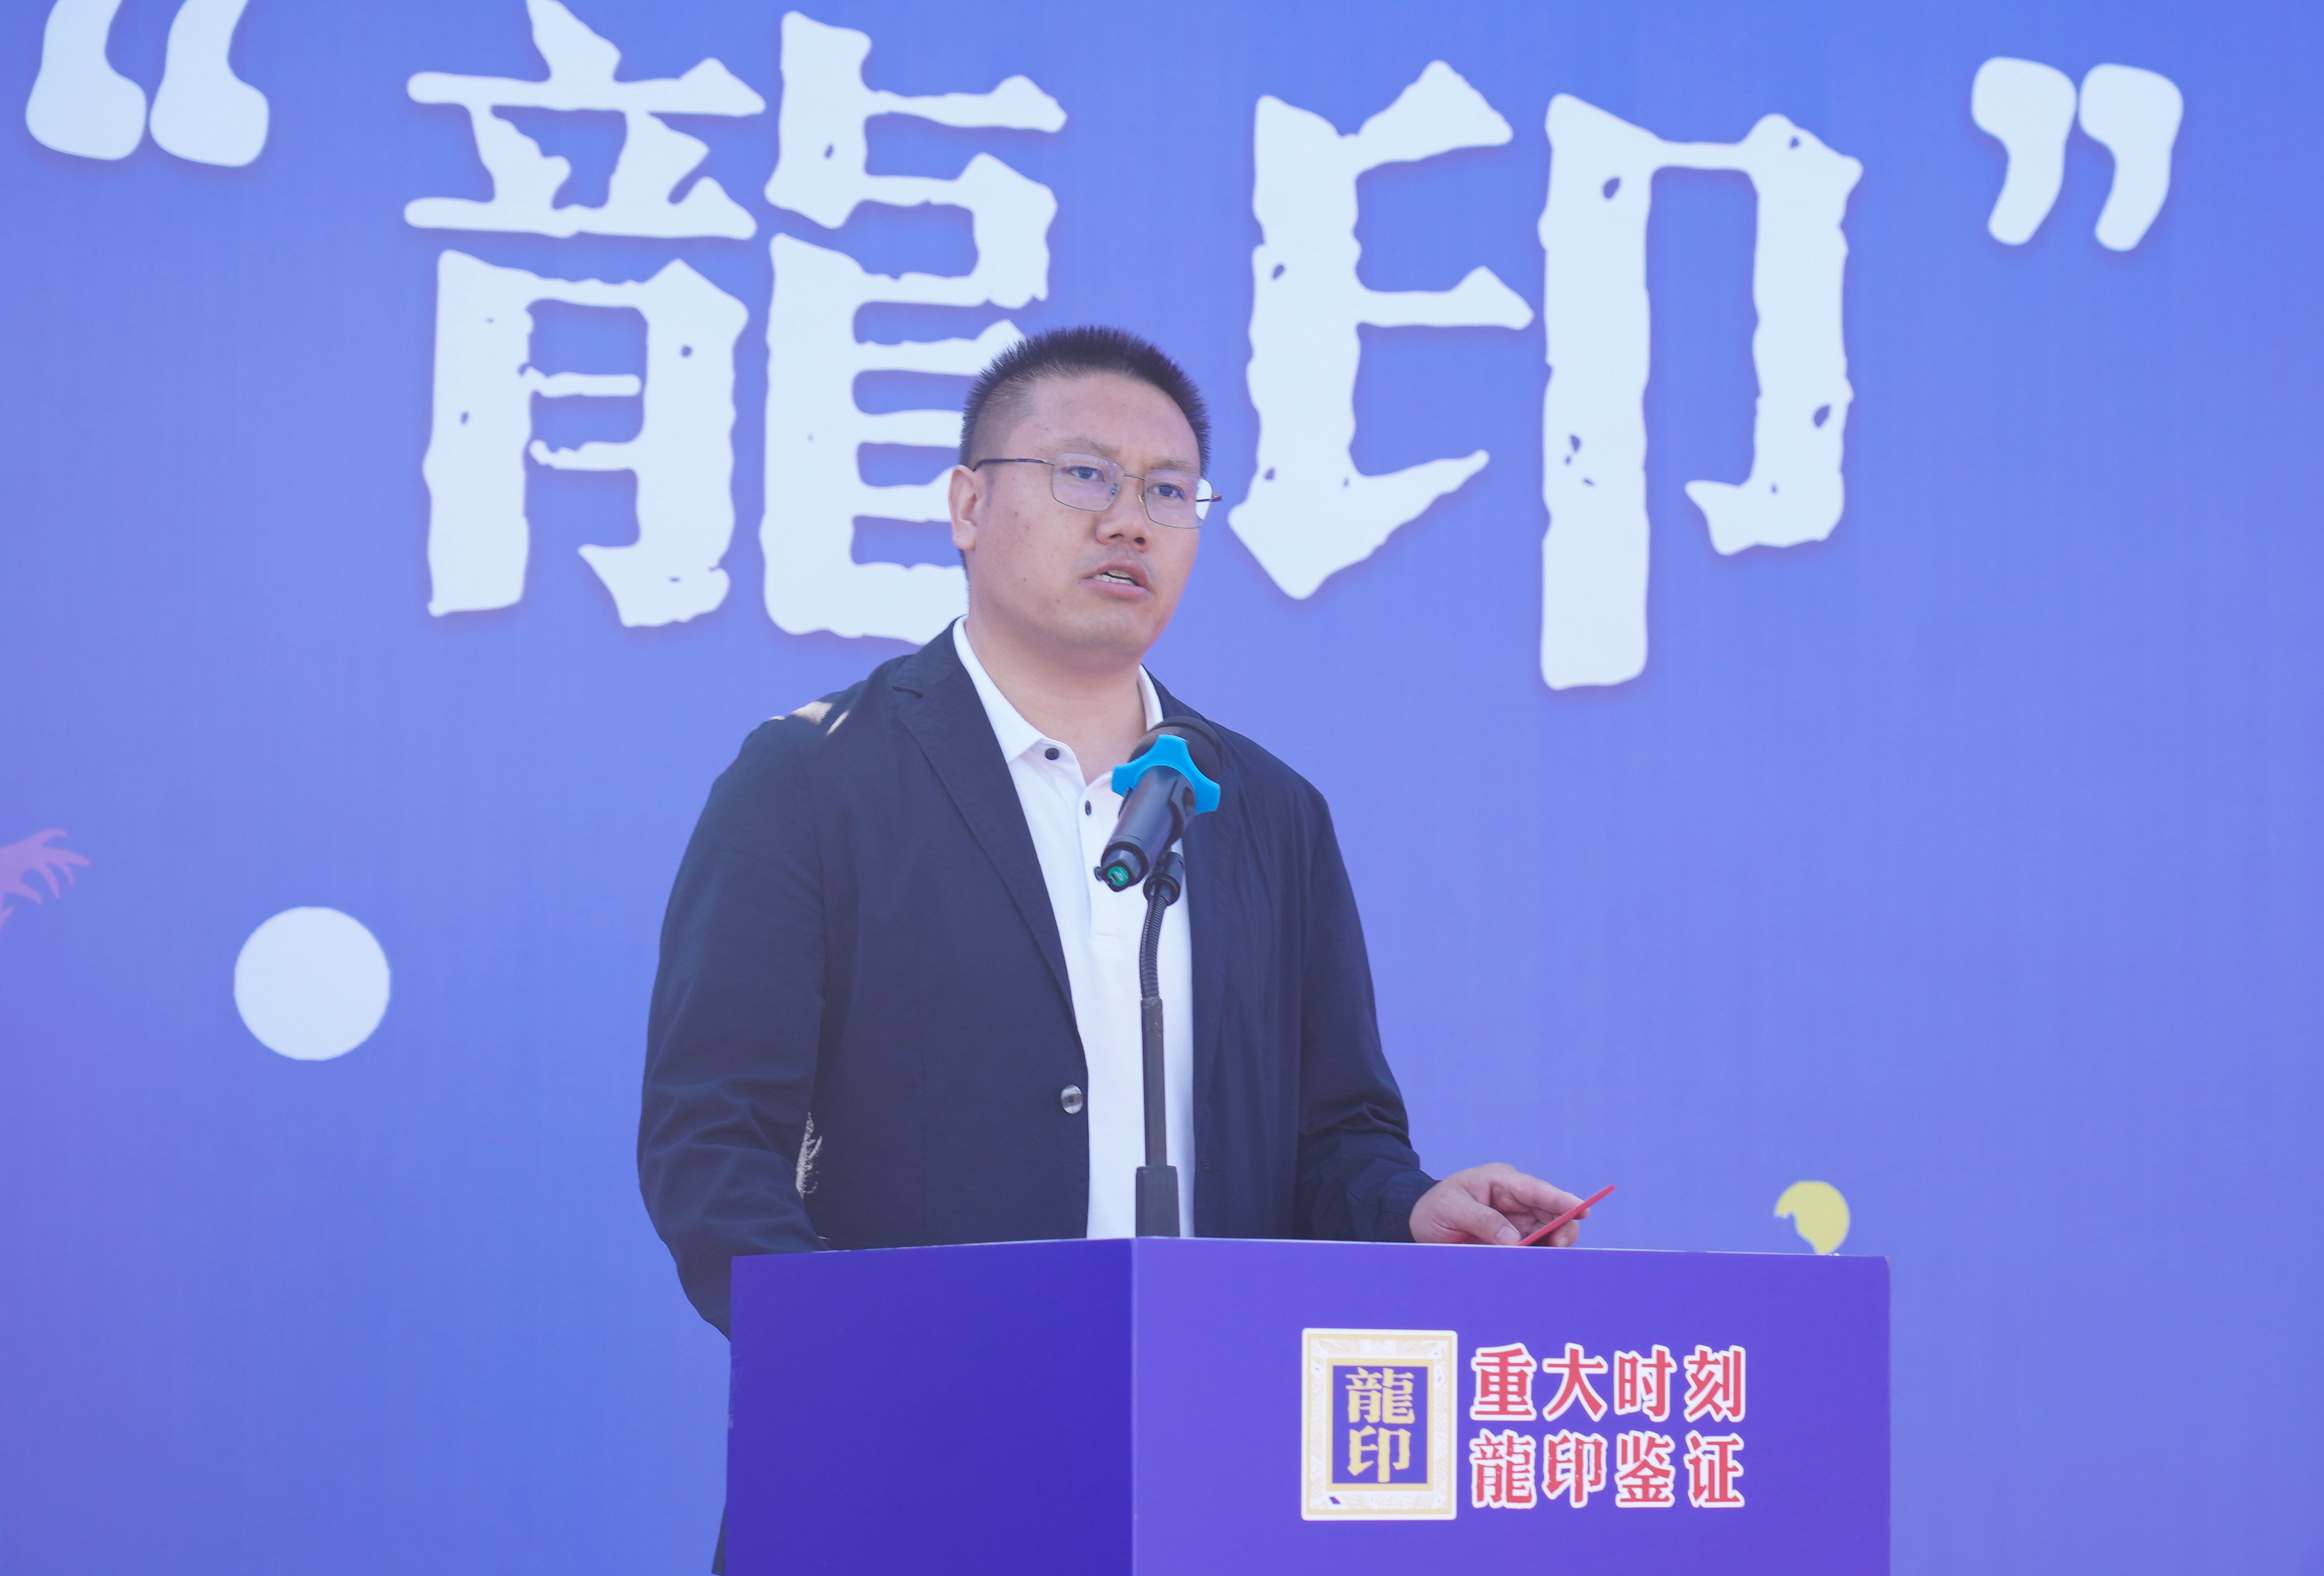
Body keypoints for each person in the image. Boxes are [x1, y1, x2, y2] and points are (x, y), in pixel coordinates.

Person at [638, 326, 1591, 1340]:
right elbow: (714, 1141)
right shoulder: (816, 778)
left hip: (1207, 1400)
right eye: (1084, 475)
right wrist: (842, 1351)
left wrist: (1409, 1210)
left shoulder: (1267, 811)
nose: (1130, 522)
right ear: (968, 506)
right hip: (918, 1402)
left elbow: (1333, 1139)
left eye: (1168, 492)